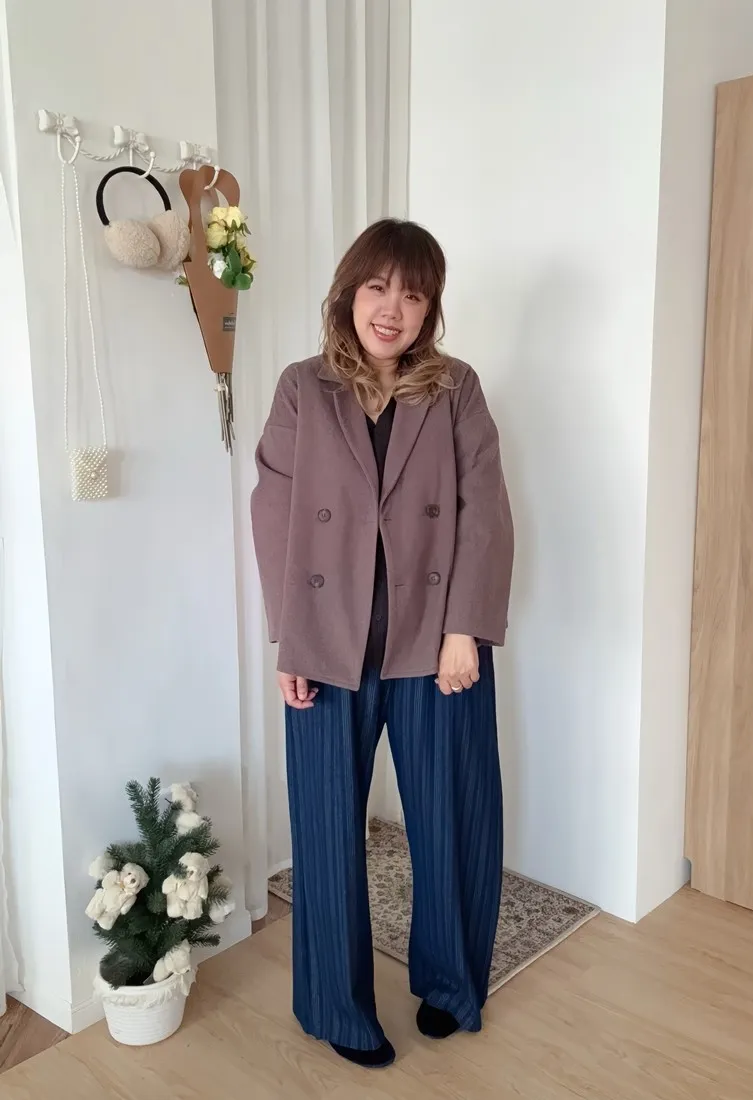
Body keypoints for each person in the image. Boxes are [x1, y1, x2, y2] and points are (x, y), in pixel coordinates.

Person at [251, 218, 514, 1069]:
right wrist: (289, 641)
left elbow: (483, 511)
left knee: (450, 817)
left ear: (430, 307)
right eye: (377, 288)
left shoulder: (455, 388)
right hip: (326, 643)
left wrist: (465, 628)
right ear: (349, 293)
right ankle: (337, 1007)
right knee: (327, 828)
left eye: (412, 293)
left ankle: (449, 983)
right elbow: (273, 517)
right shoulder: (303, 387)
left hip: (436, 641)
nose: (391, 309)